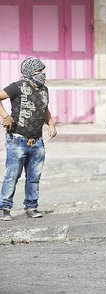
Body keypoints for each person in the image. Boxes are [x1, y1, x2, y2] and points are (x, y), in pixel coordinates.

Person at [0, 57, 57, 221]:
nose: (42, 74)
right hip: (17, 140)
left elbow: (45, 109)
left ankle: (31, 207)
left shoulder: (44, 90)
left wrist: (51, 124)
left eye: (43, 71)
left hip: (37, 141)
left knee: (33, 177)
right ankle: (5, 208)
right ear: (30, 73)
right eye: (39, 71)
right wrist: (5, 116)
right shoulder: (17, 87)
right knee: (12, 175)